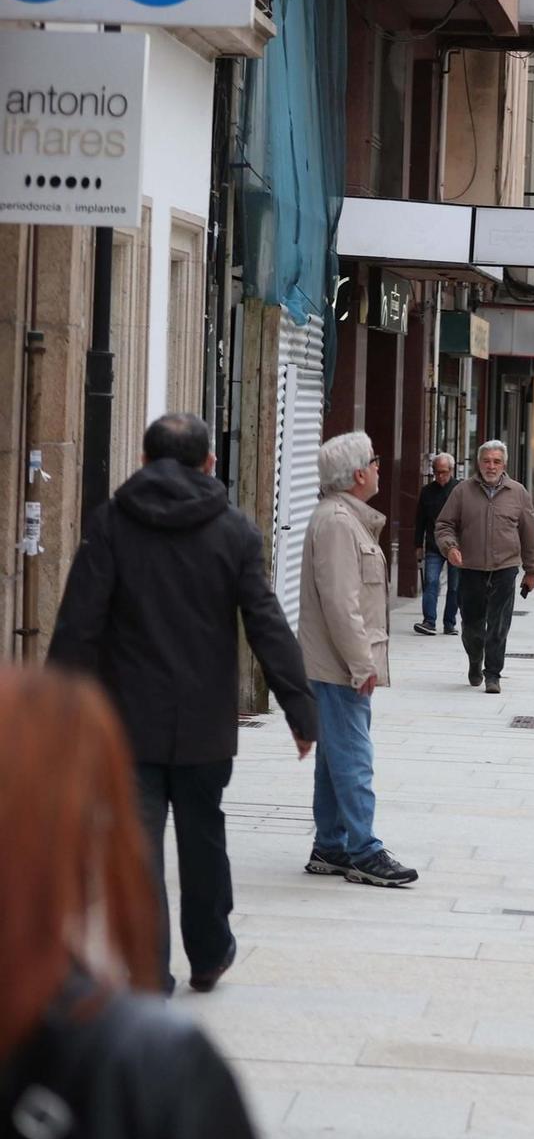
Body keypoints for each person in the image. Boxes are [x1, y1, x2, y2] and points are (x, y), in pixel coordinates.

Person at [0, 668, 306, 1139]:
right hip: (199, 735)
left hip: (163, 727)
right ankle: (204, 952)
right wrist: (296, 700)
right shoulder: (151, 1068)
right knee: (203, 840)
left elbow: (83, 619)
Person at [47, 411, 317, 993]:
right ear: (210, 463)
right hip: (204, 726)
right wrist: (301, 709)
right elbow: (266, 622)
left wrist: (54, 715)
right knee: (204, 836)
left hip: (129, 725)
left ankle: (147, 968)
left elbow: (78, 627)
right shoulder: (234, 530)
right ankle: (211, 951)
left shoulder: (112, 524)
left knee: (137, 847)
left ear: (144, 461)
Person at [298, 433, 417, 889]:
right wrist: (361, 664)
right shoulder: (337, 524)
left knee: (335, 756)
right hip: (339, 666)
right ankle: (364, 851)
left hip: (336, 664)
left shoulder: (345, 519)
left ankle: (331, 844)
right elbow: (340, 603)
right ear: (357, 474)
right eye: (375, 460)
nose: (379, 467)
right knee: (353, 758)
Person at [435, 439, 534, 695]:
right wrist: (450, 547)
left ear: (504, 464)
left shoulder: (518, 493)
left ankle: (493, 674)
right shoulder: (462, 491)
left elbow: (529, 533)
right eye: (486, 461)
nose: (491, 466)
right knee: (471, 625)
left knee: (499, 624)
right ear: (478, 463)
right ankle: (475, 658)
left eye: (496, 461)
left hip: (505, 568)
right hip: (470, 567)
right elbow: (444, 524)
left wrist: (531, 570)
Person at [414, 452, 461, 635]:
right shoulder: (427, 492)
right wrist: (418, 545)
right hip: (434, 545)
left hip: (456, 546)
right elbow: (420, 520)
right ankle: (429, 621)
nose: (440, 476)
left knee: (455, 585)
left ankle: (449, 622)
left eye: (443, 472)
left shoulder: (460, 490)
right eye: (436, 472)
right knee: (431, 582)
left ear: (451, 470)